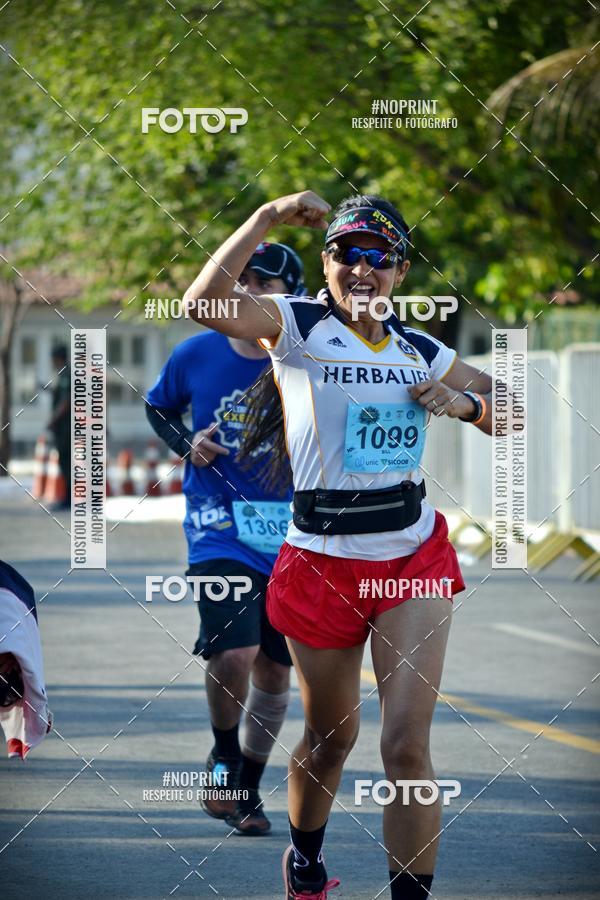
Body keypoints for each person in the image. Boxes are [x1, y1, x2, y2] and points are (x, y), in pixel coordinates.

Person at [183, 191, 498, 899]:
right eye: (346, 254)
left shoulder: (421, 348)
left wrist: (467, 404)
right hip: (320, 562)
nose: (363, 269)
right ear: (326, 263)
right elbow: (203, 305)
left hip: (411, 558)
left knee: (407, 747)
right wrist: (266, 216)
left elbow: (508, 407)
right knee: (330, 741)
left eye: (378, 258)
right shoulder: (296, 325)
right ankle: (305, 863)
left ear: (400, 271)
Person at [146, 242, 306, 836]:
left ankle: (247, 788)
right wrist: (187, 443)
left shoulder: (305, 357)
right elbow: (158, 407)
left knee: (274, 671)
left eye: (260, 283)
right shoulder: (196, 352)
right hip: (219, 529)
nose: (244, 293)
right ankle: (224, 752)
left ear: (288, 294)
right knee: (233, 651)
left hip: (295, 534)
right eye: (238, 281)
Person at [47, 344, 71, 510]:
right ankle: (69, 497)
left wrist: (53, 420)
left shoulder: (66, 375)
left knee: (66, 462)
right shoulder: (65, 374)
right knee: (66, 462)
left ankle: (69, 499)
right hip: (65, 427)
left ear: (58, 358)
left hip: (66, 428)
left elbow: (66, 401)